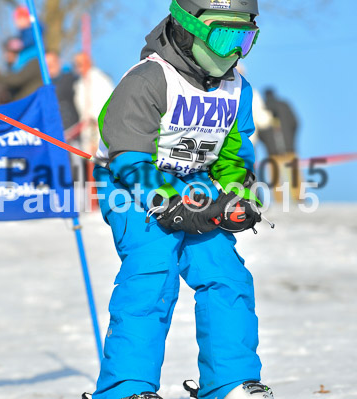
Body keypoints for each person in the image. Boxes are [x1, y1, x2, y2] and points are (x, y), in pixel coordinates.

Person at [90, 1, 273, 398]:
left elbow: (234, 154)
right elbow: (129, 154)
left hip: (197, 183)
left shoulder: (237, 87)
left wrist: (236, 195)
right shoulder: (150, 79)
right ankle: (127, 387)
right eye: (225, 35)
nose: (234, 51)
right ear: (189, 29)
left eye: (245, 37)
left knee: (227, 276)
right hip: (133, 186)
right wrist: (167, 202)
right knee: (153, 275)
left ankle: (231, 381)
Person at [256, 88, 300, 204]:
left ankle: (280, 201)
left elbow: (259, 130)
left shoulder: (263, 108)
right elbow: (295, 123)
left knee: (276, 178)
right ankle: (299, 198)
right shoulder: (284, 105)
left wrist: (267, 143)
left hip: (272, 150)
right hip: (289, 147)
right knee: (295, 175)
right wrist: (291, 140)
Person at [73, 52, 114, 155]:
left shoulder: (100, 80)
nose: (79, 67)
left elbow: (109, 107)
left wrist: (94, 135)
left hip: (99, 132)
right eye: (76, 64)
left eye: (81, 63)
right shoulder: (79, 84)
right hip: (87, 133)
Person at [0, 6, 43, 101]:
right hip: (24, 58)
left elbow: (29, 40)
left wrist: (19, 44)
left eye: (19, 19)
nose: (17, 22)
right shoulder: (23, 32)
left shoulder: (32, 29)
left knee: (19, 75)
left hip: (31, 56)